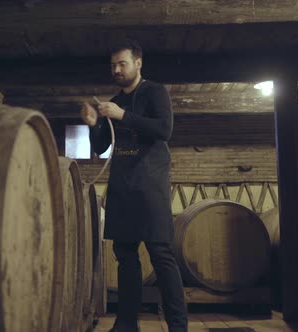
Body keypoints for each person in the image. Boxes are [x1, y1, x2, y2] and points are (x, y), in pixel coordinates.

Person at [80, 40, 188, 332]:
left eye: (122, 64)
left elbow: (164, 130)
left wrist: (121, 115)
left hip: (150, 184)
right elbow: (102, 148)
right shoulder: (117, 100)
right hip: (122, 185)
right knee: (125, 257)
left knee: (161, 255)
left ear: (138, 63)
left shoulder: (154, 92)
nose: (116, 69)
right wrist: (93, 124)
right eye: (113, 65)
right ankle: (127, 324)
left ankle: (178, 326)